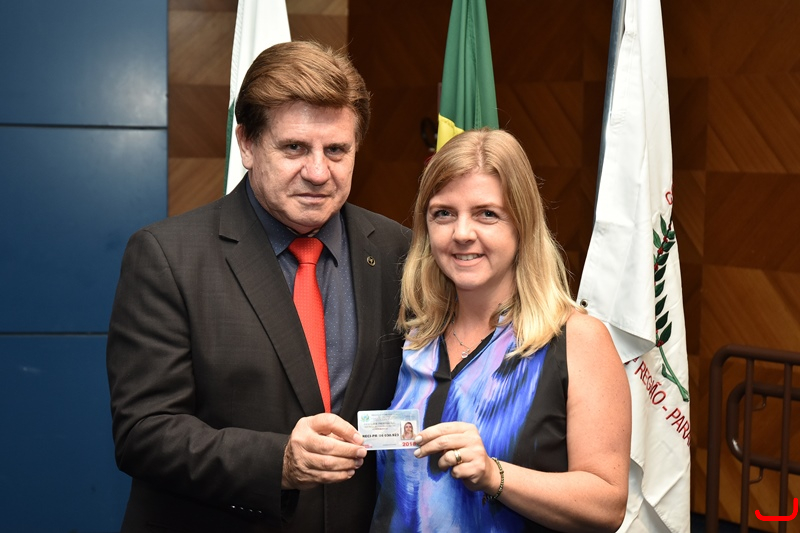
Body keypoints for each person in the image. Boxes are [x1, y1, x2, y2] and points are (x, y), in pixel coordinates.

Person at [106, 41, 410, 533]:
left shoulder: (400, 250)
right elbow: (144, 432)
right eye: (294, 148)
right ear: (246, 144)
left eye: (336, 150)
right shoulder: (167, 256)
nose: (318, 172)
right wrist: (279, 462)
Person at [370, 129, 631, 532]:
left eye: (486, 214)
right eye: (443, 213)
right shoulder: (410, 335)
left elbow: (608, 505)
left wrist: (495, 475)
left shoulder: (576, 339)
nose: (461, 233)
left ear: (522, 224)